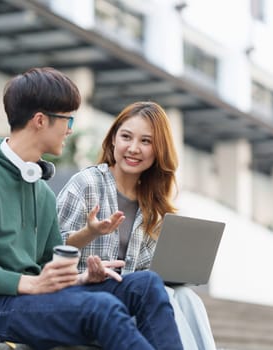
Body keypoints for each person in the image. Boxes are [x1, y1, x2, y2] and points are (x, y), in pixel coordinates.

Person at [0, 67, 184, 350]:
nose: (70, 129)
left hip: (35, 298)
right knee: (100, 308)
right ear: (40, 120)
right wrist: (31, 284)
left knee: (146, 286)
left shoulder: (39, 187)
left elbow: (48, 262)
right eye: (67, 119)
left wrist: (83, 277)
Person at [56, 101, 217, 350]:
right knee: (167, 298)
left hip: (131, 298)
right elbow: (49, 248)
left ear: (158, 150)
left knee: (187, 297)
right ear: (113, 140)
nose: (133, 148)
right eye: (126, 137)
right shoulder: (86, 184)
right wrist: (89, 234)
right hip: (82, 294)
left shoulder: (153, 205)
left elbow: (146, 272)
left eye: (146, 141)